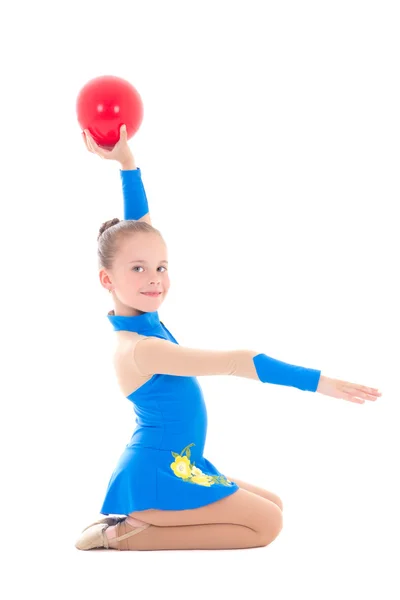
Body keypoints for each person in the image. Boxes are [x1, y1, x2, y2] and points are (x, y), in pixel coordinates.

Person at [75, 125, 382, 552]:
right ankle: (122, 536)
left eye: (161, 267)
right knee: (268, 525)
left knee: (273, 503)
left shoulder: (141, 318)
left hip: (179, 462)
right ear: (107, 279)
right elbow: (239, 361)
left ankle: (137, 523)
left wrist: (127, 163)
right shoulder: (142, 348)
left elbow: (137, 230)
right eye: (139, 269)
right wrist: (321, 383)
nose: (154, 279)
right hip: (155, 475)